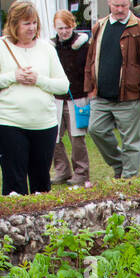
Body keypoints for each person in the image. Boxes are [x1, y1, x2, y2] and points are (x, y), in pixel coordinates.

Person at [0, 0, 67, 196]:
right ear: (14, 23)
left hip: (44, 123)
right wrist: (12, 77)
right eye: (26, 23)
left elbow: (63, 85)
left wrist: (38, 80)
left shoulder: (47, 48)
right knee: (14, 181)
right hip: (8, 122)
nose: (31, 28)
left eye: (34, 22)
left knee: (42, 182)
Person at [83, 0, 140, 179]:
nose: (119, 9)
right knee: (95, 130)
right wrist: (90, 88)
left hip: (129, 97)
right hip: (101, 96)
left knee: (131, 142)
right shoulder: (99, 26)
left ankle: (129, 181)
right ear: (108, 3)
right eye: (116, 5)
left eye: (124, 5)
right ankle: (120, 165)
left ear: (130, 4)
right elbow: (91, 58)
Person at [51, 10, 91, 187]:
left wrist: (89, 91)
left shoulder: (83, 46)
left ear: (73, 25)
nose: (64, 31)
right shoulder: (51, 47)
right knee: (54, 136)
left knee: (77, 137)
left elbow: (89, 70)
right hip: (56, 97)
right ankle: (62, 170)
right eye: (60, 28)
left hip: (77, 96)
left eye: (67, 27)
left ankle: (81, 172)